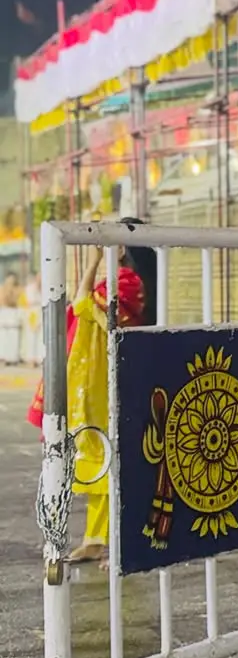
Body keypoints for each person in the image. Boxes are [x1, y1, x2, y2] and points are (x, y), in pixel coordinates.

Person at [27, 221, 157, 563]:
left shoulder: (128, 283)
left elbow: (82, 304)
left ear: (123, 247)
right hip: (101, 373)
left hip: (111, 375)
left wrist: (93, 262)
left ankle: (120, 540)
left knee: (110, 453)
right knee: (101, 451)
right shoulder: (124, 282)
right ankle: (97, 538)